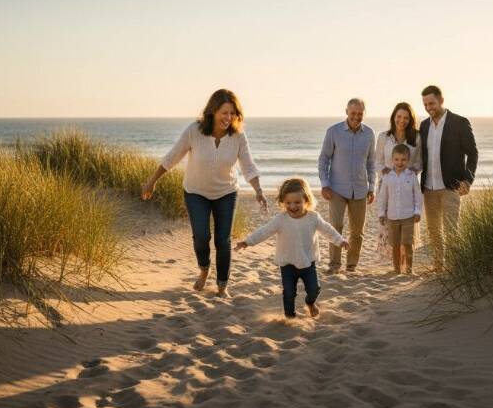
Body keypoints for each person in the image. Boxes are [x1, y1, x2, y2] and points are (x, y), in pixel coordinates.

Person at [141, 89, 268, 297]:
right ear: (213, 111)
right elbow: (173, 157)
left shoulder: (238, 136)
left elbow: (248, 166)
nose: (228, 118)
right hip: (196, 192)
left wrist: (259, 190)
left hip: (226, 192)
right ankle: (204, 269)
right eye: (224, 113)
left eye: (232, 113)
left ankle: (222, 286)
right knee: (201, 236)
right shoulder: (195, 131)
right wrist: (152, 181)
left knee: (222, 240)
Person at [235, 178, 349, 318]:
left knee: (314, 289)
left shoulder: (313, 217)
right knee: (289, 293)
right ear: (283, 202)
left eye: (297, 202)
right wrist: (248, 241)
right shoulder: (280, 219)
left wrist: (340, 240)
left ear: (306, 200)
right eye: (288, 203)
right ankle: (290, 317)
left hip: (308, 262)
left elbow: (328, 230)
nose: (292, 206)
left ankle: (310, 303)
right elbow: (264, 231)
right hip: (287, 263)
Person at [419, 85, 478, 271]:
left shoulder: (459, 123)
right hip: (429, 188)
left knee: (452, 230)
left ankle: (454, 269)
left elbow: (473, 153)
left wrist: (468, 180)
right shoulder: (424, 126)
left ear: (441, 101)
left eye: (432, 103)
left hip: (451, 187)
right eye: (425, 104)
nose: (429, 108)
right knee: (434, 231)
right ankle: (438, 267)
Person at [318, 98, 376, 274]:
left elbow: (371, 162)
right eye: (353, 113)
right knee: (335, 226)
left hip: (360, 189)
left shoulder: (369, 134)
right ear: (346, 112)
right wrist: (325, 184)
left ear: (364, 113)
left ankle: (351, 266)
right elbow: (324, 159)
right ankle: (334, 264)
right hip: (336, 189)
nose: (356, 117)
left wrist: (372, 187)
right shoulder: (333, 131)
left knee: (357, 231)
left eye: (360, 114)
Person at [377, 144, 423, 274]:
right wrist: (381, 213)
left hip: (408, 216)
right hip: (392, 217)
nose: (400, 162)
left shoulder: (411, 176)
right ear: (392, 160)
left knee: (407, 243)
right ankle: (397, 269)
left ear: (408, 160)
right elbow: (383, 197)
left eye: (403, 160)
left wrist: (417, 212)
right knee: (395, 245)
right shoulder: (387, 176)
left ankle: (409, 270)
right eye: (397, 159)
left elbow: (417, 195)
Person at [375, 102, 422, 177]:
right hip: (387, 182)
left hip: (409, 182)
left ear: (410, 120)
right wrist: (390, 174)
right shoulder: (383, 137)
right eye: (399, 116)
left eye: (406, 118)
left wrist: (409, 173)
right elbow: (378, 163)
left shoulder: (417, 137)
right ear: (394, 117)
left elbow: (419, 162)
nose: (402, 120)